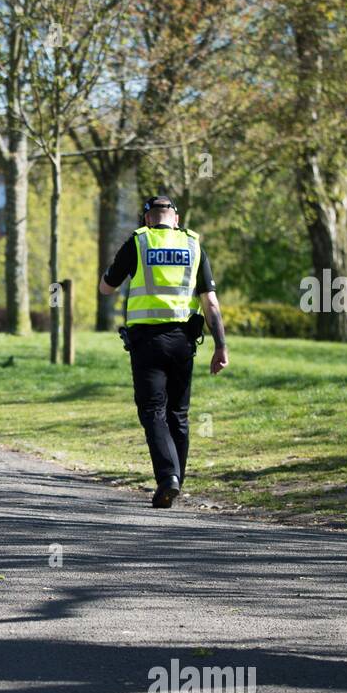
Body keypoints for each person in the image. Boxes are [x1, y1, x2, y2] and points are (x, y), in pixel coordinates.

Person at [99, 194, 229, 509]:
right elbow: (210, 302)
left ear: (147, 219)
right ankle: (175, 482)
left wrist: (112, 276)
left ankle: (168, 477)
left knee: (152, 410)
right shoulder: (194, 245)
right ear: (177, 219)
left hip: (147, 342)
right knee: (178, 413)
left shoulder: (139, 241)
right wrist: (221, 346)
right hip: (183, 341)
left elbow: (107, 287)